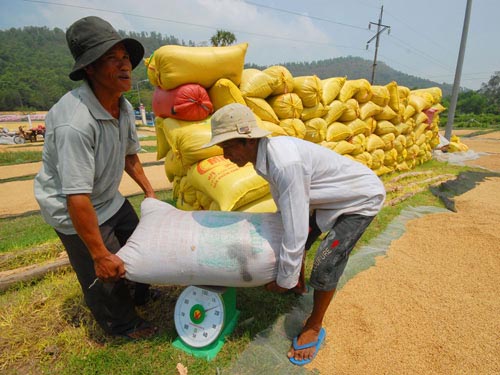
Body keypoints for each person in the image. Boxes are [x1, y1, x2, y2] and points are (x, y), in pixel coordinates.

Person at [203, 103, 386, 365]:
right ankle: (297, 282)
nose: (225, 154)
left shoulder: (284, 162)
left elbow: (296, 228)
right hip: (328, 201)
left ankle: (314, 324)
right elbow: (288, 209)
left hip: (361, 200)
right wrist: (291, 268)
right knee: (294, 236)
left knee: (326, 261)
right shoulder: (263, 158)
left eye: (227, 146)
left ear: (246, 140)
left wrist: (283, 279)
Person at [34, 16, 158, 340]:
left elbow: (129, 156)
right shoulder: (75, 121)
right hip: (72, 205)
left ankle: (140, 293)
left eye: (125, 58)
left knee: (140, 241)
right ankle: (122, 324)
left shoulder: (124, 106)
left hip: (107, 196)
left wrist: (150, 193)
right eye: (111, 59)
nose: (124, 66)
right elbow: (76, 197)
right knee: (103, 270)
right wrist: (100, 254)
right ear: (89, 68)